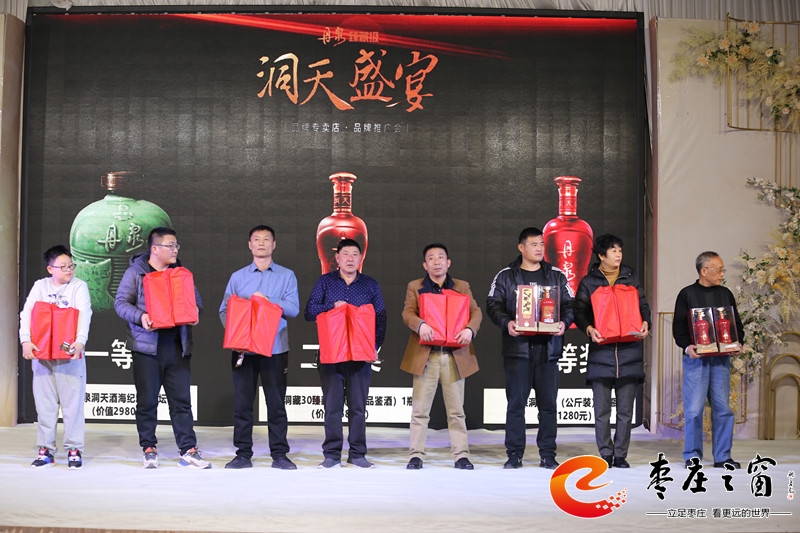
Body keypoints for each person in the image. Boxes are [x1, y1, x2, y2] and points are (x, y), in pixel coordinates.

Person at [114, 227, 210, 469]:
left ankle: (188, 449)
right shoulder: (136, 272)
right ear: (155, 249)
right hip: (147, 348)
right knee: (147, 402)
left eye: (176, 245)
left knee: (182, 402)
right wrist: (141, 316)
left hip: (177, 347)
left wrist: (195, 312)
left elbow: (197, 303)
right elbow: (121, 303)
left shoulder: (181, 273)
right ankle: (149, 448)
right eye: (170, 245)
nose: (175, 250)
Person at [487, 227, 574, 469]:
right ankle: (514, 454)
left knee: (548, 405)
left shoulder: (556, 275)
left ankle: (547, 454)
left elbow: (570, 304)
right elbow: (493, 305)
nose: (539, 248)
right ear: (521, 247)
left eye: (541, 244)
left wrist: (564, 323)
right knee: (516, 404)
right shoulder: (506, 276)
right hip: (518, 349)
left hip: (548, 349)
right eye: (534, 244)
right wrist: (507, 323)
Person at [219, 225, 300, 470]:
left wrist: (268, 301)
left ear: (274, 244)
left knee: (276, 404)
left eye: (266, 239)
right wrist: (237, 335)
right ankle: (243, 454)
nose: (261, 243)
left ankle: (280, 455)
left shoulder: (287, 276)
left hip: (275, 348)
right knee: (243, 404)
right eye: (256, 239)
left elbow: (293, 309)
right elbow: (224, 310)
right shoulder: (238, 277)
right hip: (244, 350)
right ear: (250, 245)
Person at [304, 238, 387, 469]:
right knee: (332, 407)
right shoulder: (325, 282)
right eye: (346, 254)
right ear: (337, 258)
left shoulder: (370, 284)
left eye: (355, 254)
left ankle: (357, 454)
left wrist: (374, 347)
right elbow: (309, 312)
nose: (350, 259)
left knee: (358, 407)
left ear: (361, 258)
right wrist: (332, 306)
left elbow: (381, 316)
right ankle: (331, 454)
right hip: (332, 354)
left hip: (361, 356)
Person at [400, 243, 482, 470]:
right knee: (420, 411)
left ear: (448, 262)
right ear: (424, 265)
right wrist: (420, 324)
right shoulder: (415, 286)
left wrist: (470, 330)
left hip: (454, 355)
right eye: (431, 258)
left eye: (441, 257)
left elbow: (475, 312)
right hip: (426, 355)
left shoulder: (462, 286)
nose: (436, 262)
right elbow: (407, 312)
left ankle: (461, 455)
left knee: (456, 411)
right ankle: (416, 455)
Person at [573, 234, 650, 468]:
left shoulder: (630, 277)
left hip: (629, 352)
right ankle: (606, 453)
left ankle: (620, 455)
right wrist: (589, 329)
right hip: (601, 353)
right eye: (613, 251)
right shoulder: (589, 282)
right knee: (602, 411)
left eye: (620, 250)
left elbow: (643, 305)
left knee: (625, 411)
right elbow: (579, 311)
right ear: (601, 255)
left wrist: (646, 322)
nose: (618, 255)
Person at [19, 245, 93, 468]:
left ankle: (74, 449)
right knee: (45, 405)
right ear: (50, 269)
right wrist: (25, 340)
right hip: (42, 353)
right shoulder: (40, 286)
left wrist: (80, 341)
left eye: (71, 266)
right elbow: (27, 313)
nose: (69, 270)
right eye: (63, 267)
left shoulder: (79, 286)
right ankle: (45, 450)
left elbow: (84, 314)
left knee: (73, 405)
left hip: (69, 353)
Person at [673, 251, 744, 470]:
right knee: (694, 410)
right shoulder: (687, 294)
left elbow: (735, 323)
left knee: (723, 408)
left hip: (721, 360)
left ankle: (723, 456)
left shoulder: (725, 293)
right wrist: (688, 347)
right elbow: (678, 327)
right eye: (719, 270)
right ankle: (693, 456)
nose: (722, 274)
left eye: (723, 270)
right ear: (704, 271)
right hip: (697, 360)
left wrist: (738, 343)